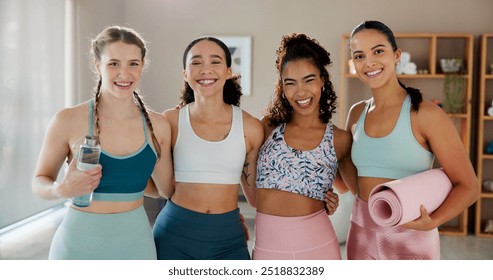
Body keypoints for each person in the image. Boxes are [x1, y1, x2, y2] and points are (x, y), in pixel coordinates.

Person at [32, 26, 173, 260]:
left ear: (143, 65)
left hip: (135, 246)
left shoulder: (158, 126)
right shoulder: (67, 120)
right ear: (98, 65)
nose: (124, 73)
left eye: (133, 64)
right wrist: (62, 189)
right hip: (77, 246)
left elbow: (165, 190)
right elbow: (39, 181)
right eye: (113, 63)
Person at [343, 20, 479, 260]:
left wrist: (433, 221)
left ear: (397, 55)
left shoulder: (426, 115)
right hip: (361, 232)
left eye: (378, 51)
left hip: (410, 236)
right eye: (359, 56)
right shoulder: (356, 112)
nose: (369, 62)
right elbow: (347, 164)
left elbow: (469, 186)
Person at [152, 36, 264, 260]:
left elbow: (255, 197)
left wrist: (313, 198)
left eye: (215, 61)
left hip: (229, 238)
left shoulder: (251, 127)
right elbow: (159, 186)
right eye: (196, 62)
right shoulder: (171, 121)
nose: (206, 69)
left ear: (228, 71)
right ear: (185, 74)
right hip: (174, 235)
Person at [253, 33, 356, 260]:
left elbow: (350, 188)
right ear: (282, 87)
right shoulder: (267, 128)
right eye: (291, 83)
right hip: (267, 249)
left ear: (322, 80)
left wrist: (332, 199)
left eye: (309, 80)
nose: (300, 92)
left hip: (317, 246)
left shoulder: (339, 139)